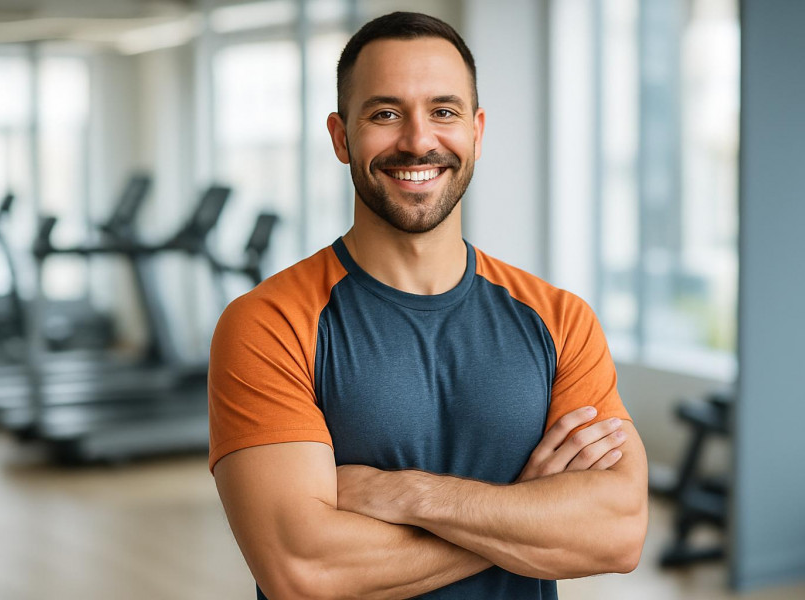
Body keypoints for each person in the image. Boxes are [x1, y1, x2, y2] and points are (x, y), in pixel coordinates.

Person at [209, 11, 647, 600]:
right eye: (385, 114)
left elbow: (617, 532)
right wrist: (525, 509)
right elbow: (302, 569)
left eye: (444, 112)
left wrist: (407, 495)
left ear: (477, 132)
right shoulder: (269, 324)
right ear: (340, 137)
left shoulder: (560, 319)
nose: (418, 141)